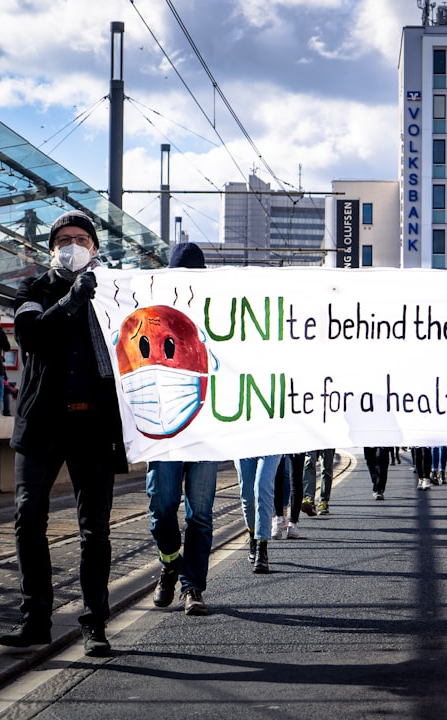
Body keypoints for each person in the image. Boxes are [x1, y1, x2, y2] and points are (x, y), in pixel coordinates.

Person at [0, 210, 126, 658]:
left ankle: (95, 624)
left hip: (93, 426)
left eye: (82, 239)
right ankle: (36, 620)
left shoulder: (114, 293)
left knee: (95, 530)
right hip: (42, 424)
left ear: (95, 247)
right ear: (51, 248)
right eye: (64, 239)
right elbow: (30, 335)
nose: (73, 245)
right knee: (28, 517)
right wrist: (71, 299)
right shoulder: (33, 289)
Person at [146, 241, 219, 617]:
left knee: (201, 514)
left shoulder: (219, 316)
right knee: (162, 506)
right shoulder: (153, 315)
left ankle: (192, 587)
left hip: (206, 430)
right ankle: (170, 561)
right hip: (164, 430)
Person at [237, 455, 281, 573]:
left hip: (271, 443)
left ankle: (262, 547)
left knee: (262, 487)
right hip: (243, 444)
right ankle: (252, 536)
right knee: (247, 495)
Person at [303, 448, 336, 513]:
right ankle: (309, 500)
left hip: (328, 440)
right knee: (309, 464)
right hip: (312, 439)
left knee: (326, 468)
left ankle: (323, 501)